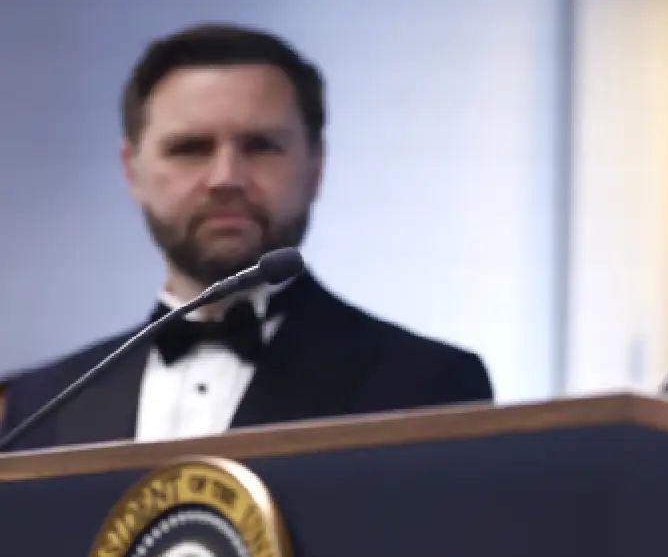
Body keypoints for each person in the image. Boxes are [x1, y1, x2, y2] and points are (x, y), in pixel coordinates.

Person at [0, 23, 492, 451]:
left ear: (316, 167)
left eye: (260, 146)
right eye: (190, 148)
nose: (225, 178)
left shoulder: (428, 386)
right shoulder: (34, 408)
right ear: (132, 171)